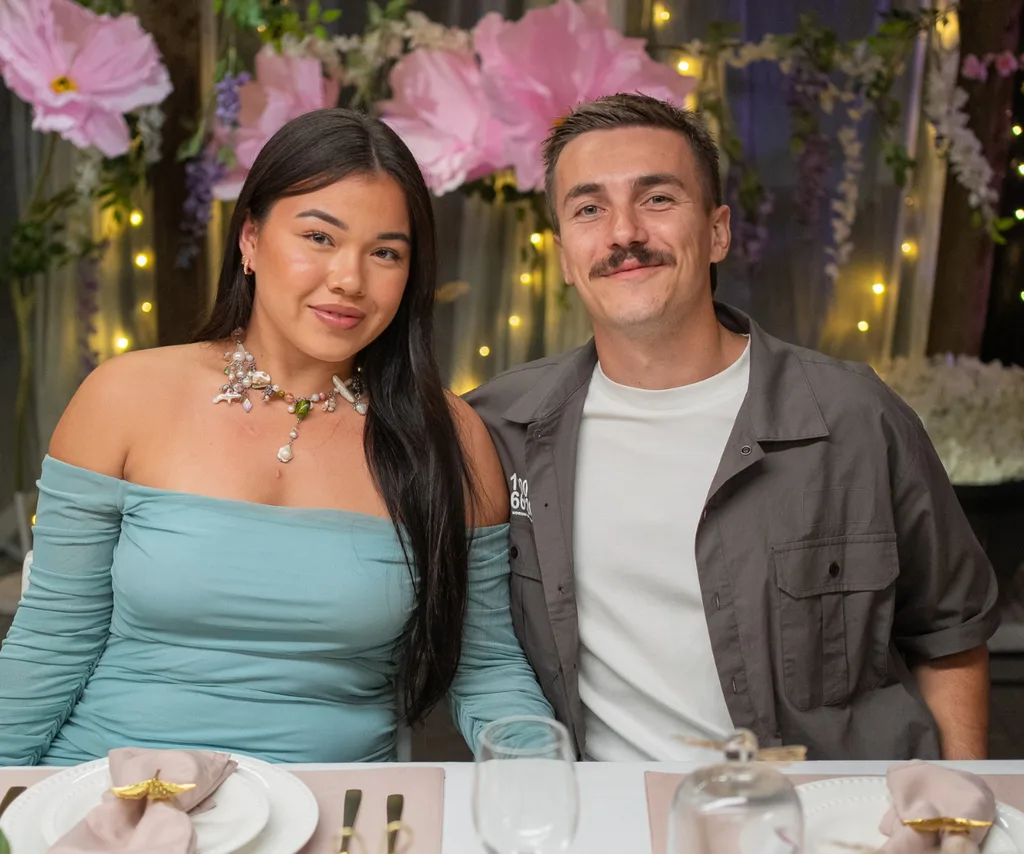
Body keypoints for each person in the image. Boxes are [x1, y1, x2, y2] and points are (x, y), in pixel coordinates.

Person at [0, 108, 552, 766]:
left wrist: (546, 789)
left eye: (385, 253)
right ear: (251, 240)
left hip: (333, 814)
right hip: (107, 794)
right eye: (319, 237)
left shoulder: (449, 437)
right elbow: (52, 641)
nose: (349, 278)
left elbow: (485, 668)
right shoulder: (123, 396)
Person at [467, 93, 999, 762]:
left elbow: (950, 633)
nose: (624, 232)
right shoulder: (498, 429)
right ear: (566, 254)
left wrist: (957, 807)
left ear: (718, 231)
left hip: (832, 814)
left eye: (657, 199)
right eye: (589, 208)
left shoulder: (855, 417)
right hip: (615, 817)